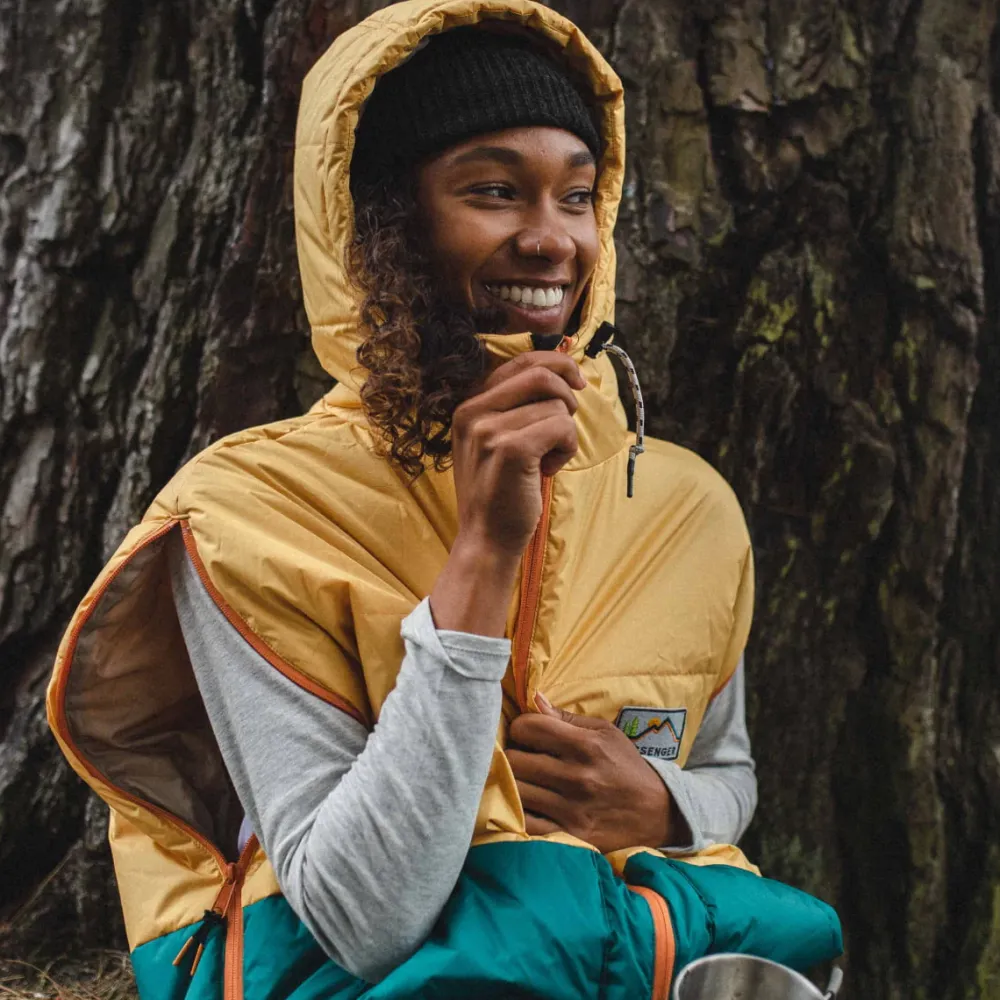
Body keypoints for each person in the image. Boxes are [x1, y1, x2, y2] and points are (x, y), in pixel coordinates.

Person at [48, 2, 843, 998]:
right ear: (383, 222)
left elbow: (727, 771)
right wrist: (482, 559)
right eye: (495, 191)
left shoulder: (685, 506)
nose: (551, 240)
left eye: (577, 196)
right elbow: (358, 918)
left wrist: (663, 804)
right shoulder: (254, 512)